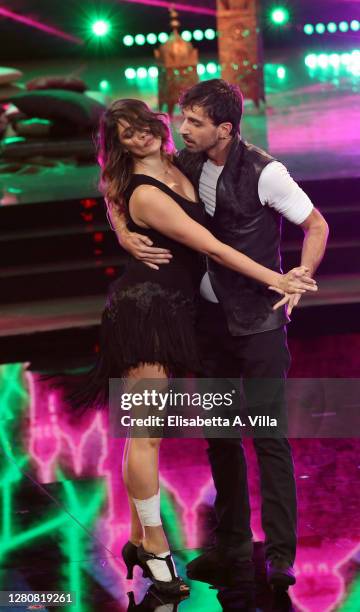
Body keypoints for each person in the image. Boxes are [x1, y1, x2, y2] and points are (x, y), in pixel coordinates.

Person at [88, 97, 317, 596]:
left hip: (177, 315)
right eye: (126, 133)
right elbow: (210, 246)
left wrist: (119, 224)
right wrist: (279, 279)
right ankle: (154, 547)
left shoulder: (180, 162)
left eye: (144, 125)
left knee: (150, 436)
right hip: (145, 312)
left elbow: (110, 189)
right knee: (145, 436)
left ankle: (138, 539)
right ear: (119, 144)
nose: (141, 136)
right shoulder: (147, 189)